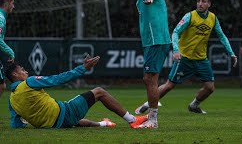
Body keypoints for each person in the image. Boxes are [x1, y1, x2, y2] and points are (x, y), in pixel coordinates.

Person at [135, 0, 237, 115]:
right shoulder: (190, 16)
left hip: (201, 59)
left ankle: (194, 105)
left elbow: (222, 36)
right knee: (169, 86)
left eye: (203, 1)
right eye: (198, 1)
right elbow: (176, 32)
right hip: (185, 58)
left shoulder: (213, 18)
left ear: (209, 4)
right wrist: (176, 50)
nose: (200, 4)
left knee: (210, 87)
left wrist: (231, 53)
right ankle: (148, 103)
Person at [5, 55, 147, 129]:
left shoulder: (11, 100)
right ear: (15, 75)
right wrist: (83, 68)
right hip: (63, 113)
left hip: (53, 125)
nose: (26, 72)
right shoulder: (28, 83)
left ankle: (104, 124)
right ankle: (133, 120)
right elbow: (57, 79)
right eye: (22, 70)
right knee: (99, 92)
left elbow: (16, 124)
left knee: (76, 121)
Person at [122, 0, 171, 128]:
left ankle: (153, 120)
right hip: (153, 40)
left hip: (156, 40)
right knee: (150, 79)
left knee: (149, 79)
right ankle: (151, 116)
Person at [0, 0, 15, 98]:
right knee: (1, 86)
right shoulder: (0, 18)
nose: (13, 6)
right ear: (7, 3)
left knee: (2, 85)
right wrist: (10, 51)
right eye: (12, 3)